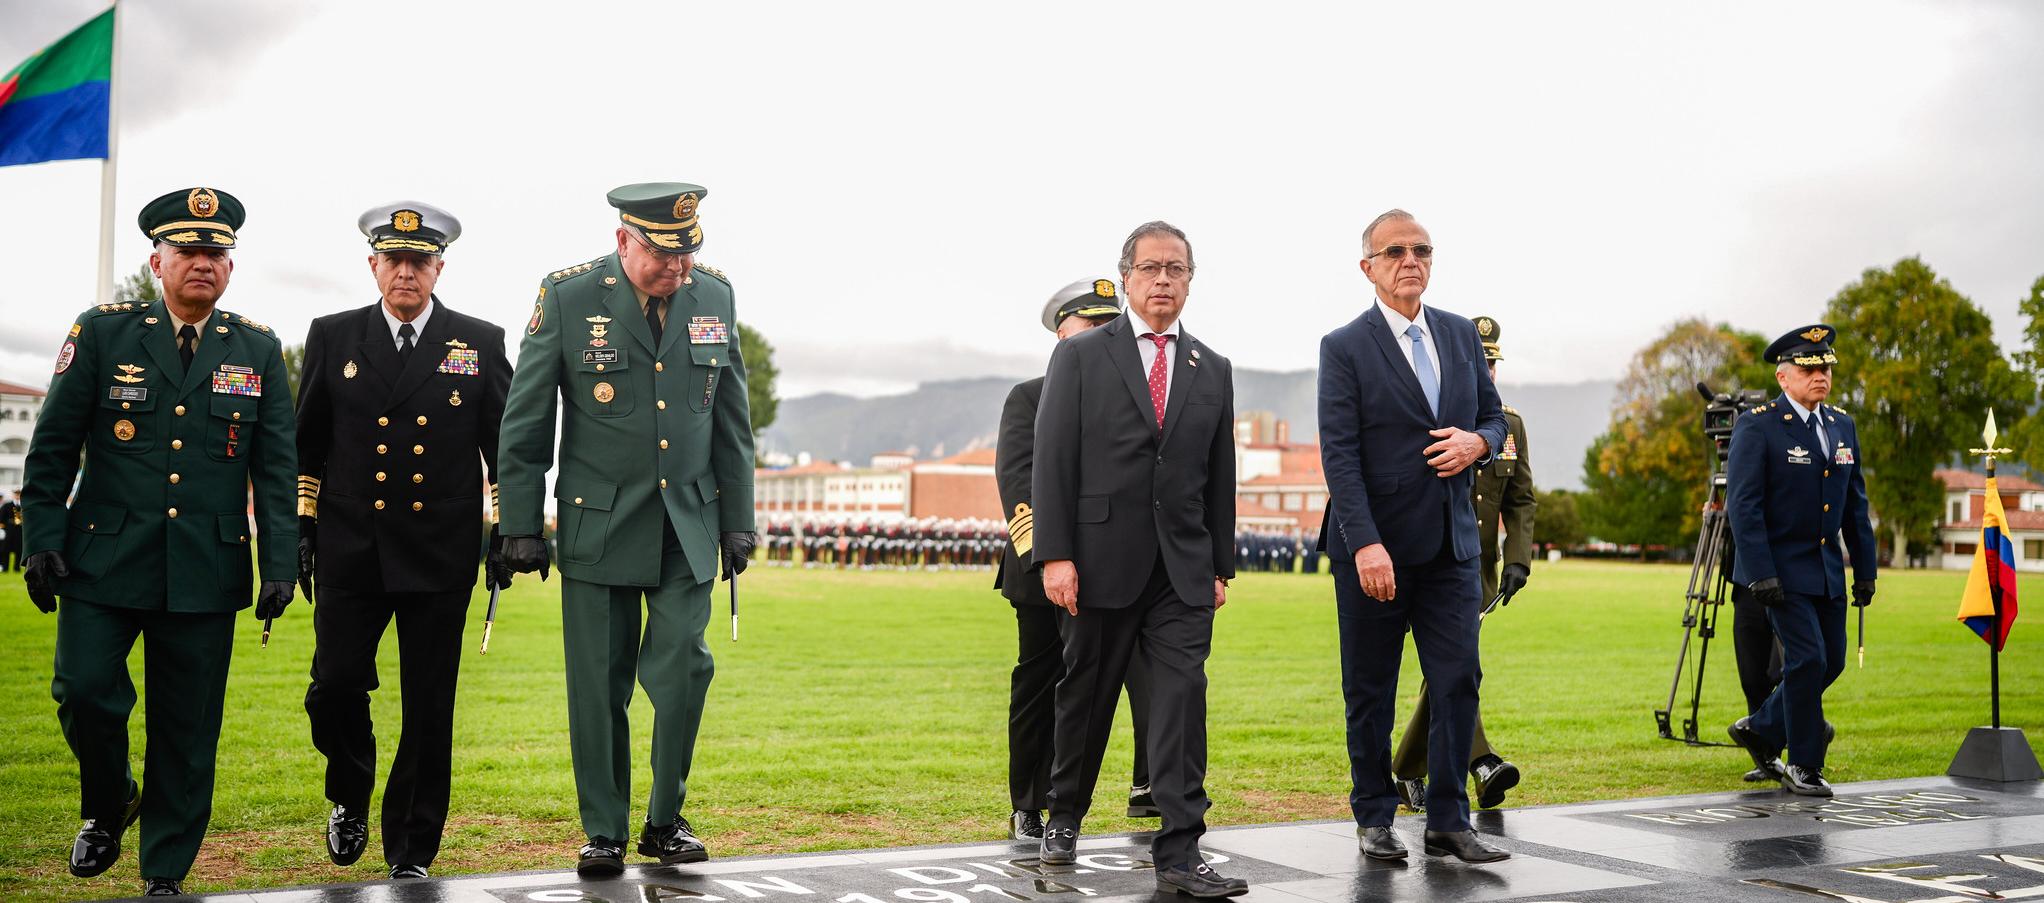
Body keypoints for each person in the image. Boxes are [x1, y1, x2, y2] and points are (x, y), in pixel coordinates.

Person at [21, 187, 297, 897]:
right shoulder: (104, 333)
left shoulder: (258, 347)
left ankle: (165, 871)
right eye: (188, 251)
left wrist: (281, 561)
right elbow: (51, 447)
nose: (203, 262)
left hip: (206, 565)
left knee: (186, 727)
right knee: (83, 690)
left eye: (216, 252)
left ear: (230, 267)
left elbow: (275, 467)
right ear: (157, 261)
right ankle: (109, 798)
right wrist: (40, 537)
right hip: (102, 558)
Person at [496, 182, 757, 876]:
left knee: (682, 671)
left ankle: (665, 818)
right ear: (623, 241)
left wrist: (740, 519)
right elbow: (524, 421)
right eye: (663, 256)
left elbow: (733, 421)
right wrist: (519, 522)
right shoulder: (568, 297)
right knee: (598, 685)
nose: (678, 269)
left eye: (687, 254)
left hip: (688, 525)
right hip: (598, 526)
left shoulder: (716, 298)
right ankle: (604, 830)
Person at [294, 202, 513, 879]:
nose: (407, 272)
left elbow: (502, 444)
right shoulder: (333, 336)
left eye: (420, 261)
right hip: (350, 547)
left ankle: (411, 851)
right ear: (374, 266)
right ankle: (349, 790)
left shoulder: (476, 341)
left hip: (439, 551)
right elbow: (307, 441)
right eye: (395, 259)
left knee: (427, 708)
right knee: (333, 686)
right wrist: (302, 524)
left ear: (439, 267)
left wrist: (510, 525)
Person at [1032, 221, 1246, 898]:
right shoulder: (1082, 356)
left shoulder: (1211, 367)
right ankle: (1064, 813)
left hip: (1181, 570)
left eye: (1176, 269)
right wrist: (1056, 554)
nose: (1163, 280)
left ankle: (1181, 851)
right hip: (1097, 560)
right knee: (1085, 696)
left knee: (1183, 699)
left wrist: (1219, 565)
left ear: (1189, 279)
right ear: (1125, 277)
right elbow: (1053, 458)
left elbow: (1220, 473)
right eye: (1150, 267)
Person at [1315, 209, 1510, 864]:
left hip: (1452, 549)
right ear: (1367, 266)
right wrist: (1365, 541)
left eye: (1421, 249)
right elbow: (1339, 454)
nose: (1410, 259)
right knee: (1370, 690)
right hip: (1375, 550)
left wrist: (1477, 441)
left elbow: (1494, 419)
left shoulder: (1458, 334)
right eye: (1394, 250)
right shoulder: (1344, 346)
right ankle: (1374, 814)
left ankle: (1450, 819)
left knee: (1458, 679)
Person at [993, 278, 1154, 841]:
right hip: (1041, 571)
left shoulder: (1136, 394)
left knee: (1135, 676)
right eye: (1093, 329)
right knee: (1043, 684)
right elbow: (1018, 482)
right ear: (1063, 339)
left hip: (1115, 568)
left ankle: (1145, 786)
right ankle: (1029, 805)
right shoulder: (1030, 396)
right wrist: (1048, 556)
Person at [1388, 315, 1533, 813]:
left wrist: (1519, 560)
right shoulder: (1432, 414)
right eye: (1479, 362)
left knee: (1449, 670)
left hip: (1478, 571)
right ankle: (1482, 761)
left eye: (1492, 364)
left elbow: (1520, 499)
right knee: (1456, 668)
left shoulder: (1507, 425)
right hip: (1424, 560)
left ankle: (1408, 770)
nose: (1486, 373)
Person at [1726, 325, 1877, 798]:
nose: (1821, 375)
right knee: (1807, 658)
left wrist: (1866, 571)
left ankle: (1761, 727)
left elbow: (1855, 504)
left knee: (1830, 661)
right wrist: (1759, 572)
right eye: (1809, 368)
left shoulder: (1841, 425)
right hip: (1778, 569)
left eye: (1826, 367)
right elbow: (1743, 506)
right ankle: (1805, 764)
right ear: (1783, 376)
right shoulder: (1759, 424)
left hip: (1827, 569)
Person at [1, 490, 22, 571]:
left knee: (19, 550)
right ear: (13, 495)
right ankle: (5, 568)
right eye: (16, 494)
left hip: (19, 532)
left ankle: (17, 568)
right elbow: (2, 518)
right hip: (9, 531)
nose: (17, 496)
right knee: (6, 550)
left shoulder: (23, 506)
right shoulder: (7, 505)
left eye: (19, 494)